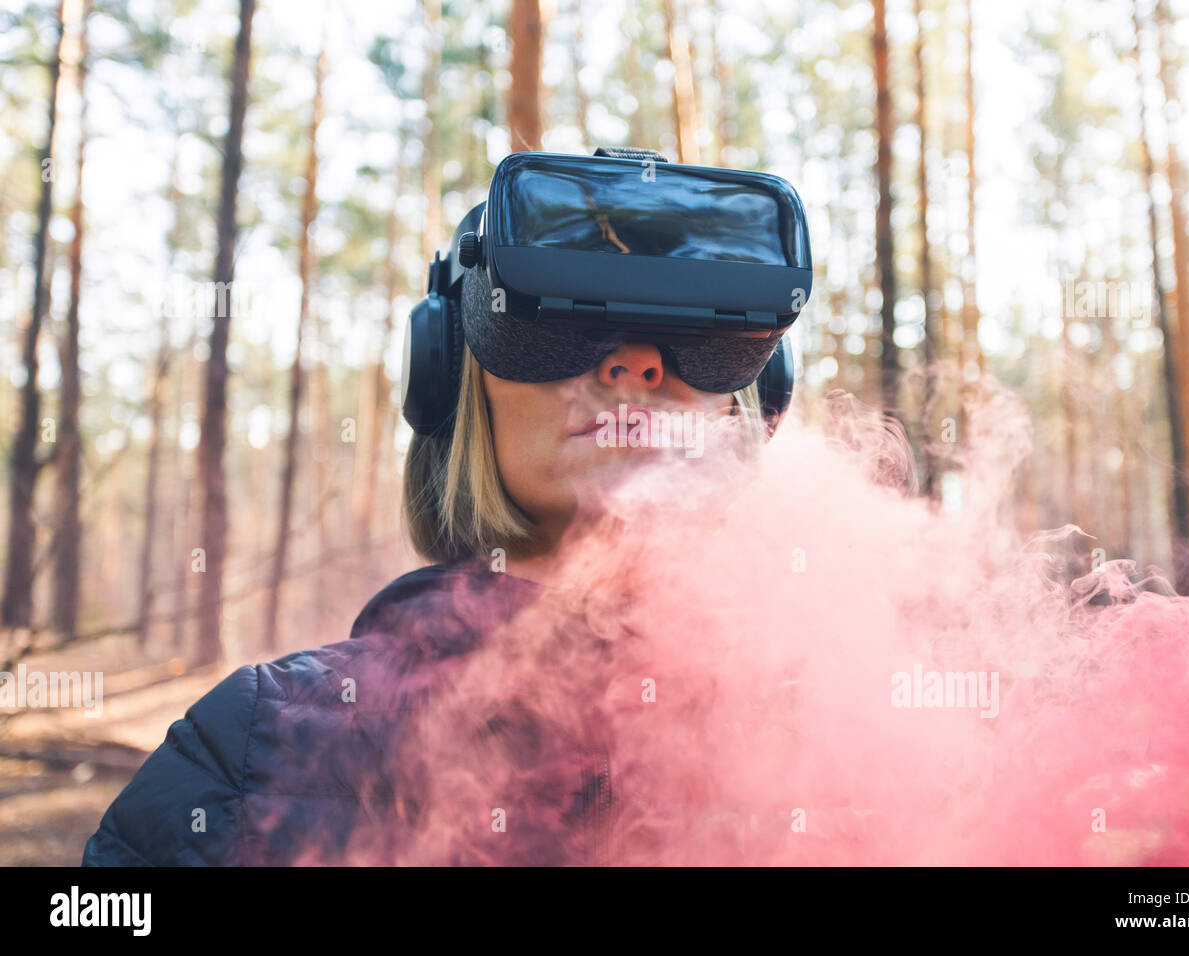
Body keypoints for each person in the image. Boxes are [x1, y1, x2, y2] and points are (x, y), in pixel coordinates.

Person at [81, 148, 810, 865]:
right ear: (447, 379)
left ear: (756, 396)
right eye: (557, 317)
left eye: (698, 331)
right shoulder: (250, 749)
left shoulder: (836, 725)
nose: (638, 363)